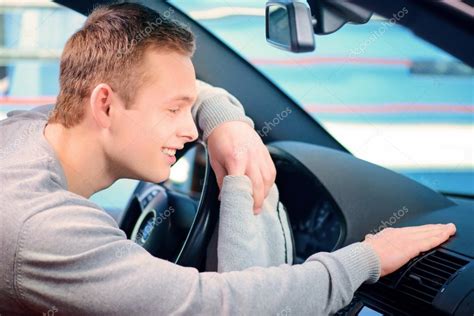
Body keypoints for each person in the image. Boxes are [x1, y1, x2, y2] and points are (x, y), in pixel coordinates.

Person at [0, 3, 456, 315]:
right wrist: (369, 258)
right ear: (104, 106)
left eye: (188, 110)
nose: (189, 129)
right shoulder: (42, 226)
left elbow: (195, 92)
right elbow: (218, 307)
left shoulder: (32, 132)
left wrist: (226, 122)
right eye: (173, 110)